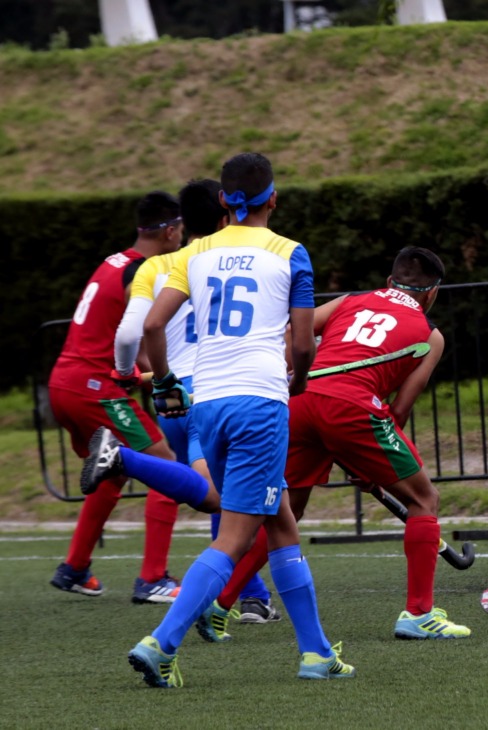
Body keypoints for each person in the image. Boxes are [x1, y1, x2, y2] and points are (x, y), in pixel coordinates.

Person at [127, 152, 353, 688]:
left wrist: (162, 385)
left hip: (208, 403)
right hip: (259, 403)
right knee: (233, 537)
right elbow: (301, 342)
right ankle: (161, 642)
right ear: (273, 198)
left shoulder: (194, 251)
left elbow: (153, 326)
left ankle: (317, 653)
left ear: (224, 200)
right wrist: (295, 383)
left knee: (279, 523)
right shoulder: (291, 253)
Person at [201, 245, 469, 642]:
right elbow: (399, 410)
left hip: (301, 401)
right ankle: (419, 614)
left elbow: (294, 333)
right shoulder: (431, 336)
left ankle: (218, 604)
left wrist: (294, 381)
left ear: (389, 282)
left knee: (282, 512)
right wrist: (366, 461)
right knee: (423, 500)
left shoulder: (352, 300)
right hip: (354, 409)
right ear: (432, 294)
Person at [105, 178, 279, 622]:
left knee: (220, 497)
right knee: (229, 497)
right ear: (226, 212)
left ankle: (248, 594)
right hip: (219, 391)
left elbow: (130, 332)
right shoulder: (238, 256)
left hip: (172, 402)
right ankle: (123, 460)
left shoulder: (155, 266)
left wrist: (130, 374)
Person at [47, 191, 194, 604]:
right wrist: (158, 378)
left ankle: (74, 567)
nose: (181, 238)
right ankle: (153, 579)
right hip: (94, 388)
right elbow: (134, 336)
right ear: (168, 231)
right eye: (180, 230)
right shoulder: (144, 269)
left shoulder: (115, 260)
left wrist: (148, 375)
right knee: (167, 463)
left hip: (64, 383)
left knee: (112, 472)